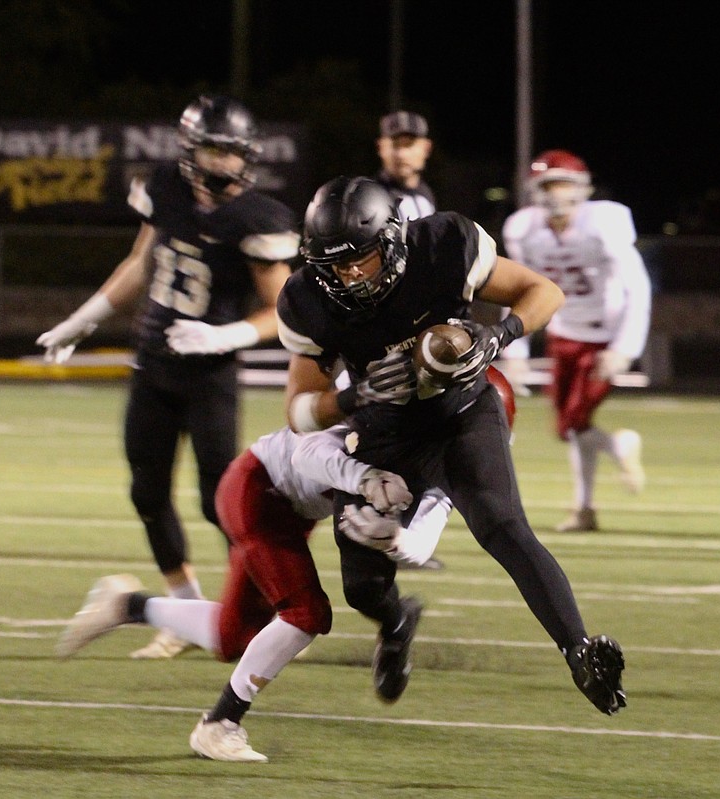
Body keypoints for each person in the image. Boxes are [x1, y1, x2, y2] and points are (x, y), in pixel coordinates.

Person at [275, 175, 627, 716]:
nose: (347, 274)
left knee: (502, 525)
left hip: (460, 411)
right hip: (384, 434)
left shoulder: (443, 245)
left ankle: (579, 650)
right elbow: (300, 410)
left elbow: (543, 292)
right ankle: (395, 624)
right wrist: (356, 397)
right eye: (333, 264)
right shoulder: (307, 298)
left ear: (392, 239)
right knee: (361, 586)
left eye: (359, 259)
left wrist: (498, 335)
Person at [36, 95, 299, 660]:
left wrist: (226, 336)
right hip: (154, 362)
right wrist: (84, 319)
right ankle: (184, 608)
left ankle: (279, 608)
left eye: (235, 152)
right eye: (215, 150)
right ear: (190, 151)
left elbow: (282, 310)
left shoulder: (257, 218)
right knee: (147, 490)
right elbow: (141, 262)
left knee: (220, 500)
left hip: (210, 373)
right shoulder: (166, 190)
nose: (227, 163)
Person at [55, 418, 459, 762]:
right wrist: (364, 478)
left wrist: (399, 541)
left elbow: (426, 526)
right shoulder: (381, 418)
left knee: (231, 639)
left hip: (287, 510)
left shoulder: (441, 453)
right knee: (307, 615)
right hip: (258, 491)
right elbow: (310, 451)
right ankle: (219, 723)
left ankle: (128, 605)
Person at [501, 150, 652, 532]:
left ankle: (618, 449)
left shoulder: (604, 223)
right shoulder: (524, 229)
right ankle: (585, 508)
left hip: (604, 335)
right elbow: (518, 289)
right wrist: (514, 346)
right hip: (564, 333)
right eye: (548, 185)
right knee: (573, 429)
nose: (555, 193)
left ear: (582, 188)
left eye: (563, 183)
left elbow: (638, 287)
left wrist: (625, 347)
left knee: (572, 424)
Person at [375, 110, 436, 221]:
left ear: (426, 148)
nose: (401, 154)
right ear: (380, 148)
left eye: (409, 144)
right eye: (395, 145)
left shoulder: (426, 193)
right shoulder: (371, 197)